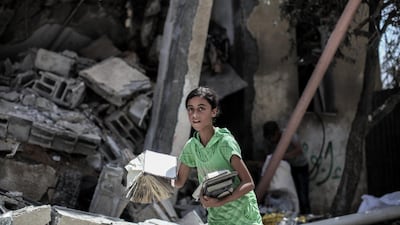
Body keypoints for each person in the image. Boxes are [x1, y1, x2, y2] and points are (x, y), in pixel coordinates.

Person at [173, 86, 263, 225]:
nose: (194, 115)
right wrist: (155, 177)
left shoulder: (225, 142)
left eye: (201, 108)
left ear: (213, 112)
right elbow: (179, 181)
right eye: (190, 109)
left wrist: (220, 201)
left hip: (243, 217)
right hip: (218, 218)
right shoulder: (192, 146)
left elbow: (249, 183)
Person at [262, 120, 311, 214]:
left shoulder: (288, 135)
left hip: (300, 166)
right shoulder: (270, 142)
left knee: (303, 195)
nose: (271, 140)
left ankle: (307, 215)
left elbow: (299, 150)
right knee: (293, 194)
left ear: (277, 132)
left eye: (272, 137)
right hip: (288, 168)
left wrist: (283, 156)